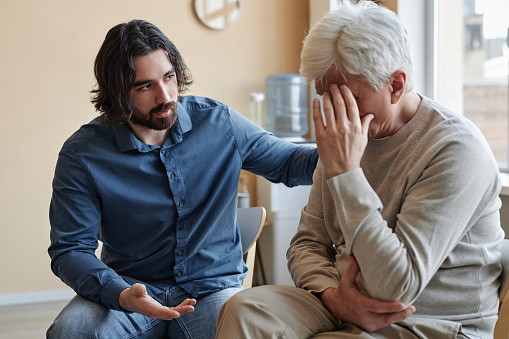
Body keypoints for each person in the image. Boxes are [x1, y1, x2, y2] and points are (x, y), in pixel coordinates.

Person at [216, 1, 505, 338]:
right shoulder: (345, 135)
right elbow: (306, 243)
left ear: (396, 85)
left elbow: (396, 286)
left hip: (425, 323)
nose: (333, 112)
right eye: (325, 95)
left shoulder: (455, 149)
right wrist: (333, 298)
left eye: (346, 97)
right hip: (341, 307)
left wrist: (346, 172)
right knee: (243, 310)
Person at [46, 19, 317, 339]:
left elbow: (289, 163)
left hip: (212, 289)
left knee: (241, 330)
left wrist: (347, 144)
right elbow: (70, 249)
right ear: (118, 92)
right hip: (130, 290)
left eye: (169, 77)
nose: (165, 96)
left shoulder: (219, 123)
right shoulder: (83, 154)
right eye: (144, 86)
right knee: (70, 332)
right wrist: (120, 294)